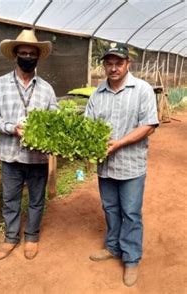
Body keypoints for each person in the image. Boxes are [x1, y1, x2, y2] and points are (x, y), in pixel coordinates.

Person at [84, 43, 159, 287]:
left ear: (128, 64)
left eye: (119, 63)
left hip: (131, 166)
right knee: (110, 209)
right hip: (106, 166)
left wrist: (119, 143)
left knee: (131, 212)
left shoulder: (142, 90)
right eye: (109, 63)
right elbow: (88, 126)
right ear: (104, 65)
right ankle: (113, 247)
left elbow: (148, 125)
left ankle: (132, 258)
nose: (113, 68)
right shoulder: (97, 94)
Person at [0, 29, 58, 260]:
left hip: (37, 157)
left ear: (37, 56)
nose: (27, 56)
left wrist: (45, 134)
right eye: (23, 53)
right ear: (15, 55)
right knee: (10, 199)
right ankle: (11, 238)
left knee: (36, 199)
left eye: (31, 53)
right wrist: (11, 128)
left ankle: (32, 237)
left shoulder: (46, 88)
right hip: (10, 154)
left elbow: (55, 118)